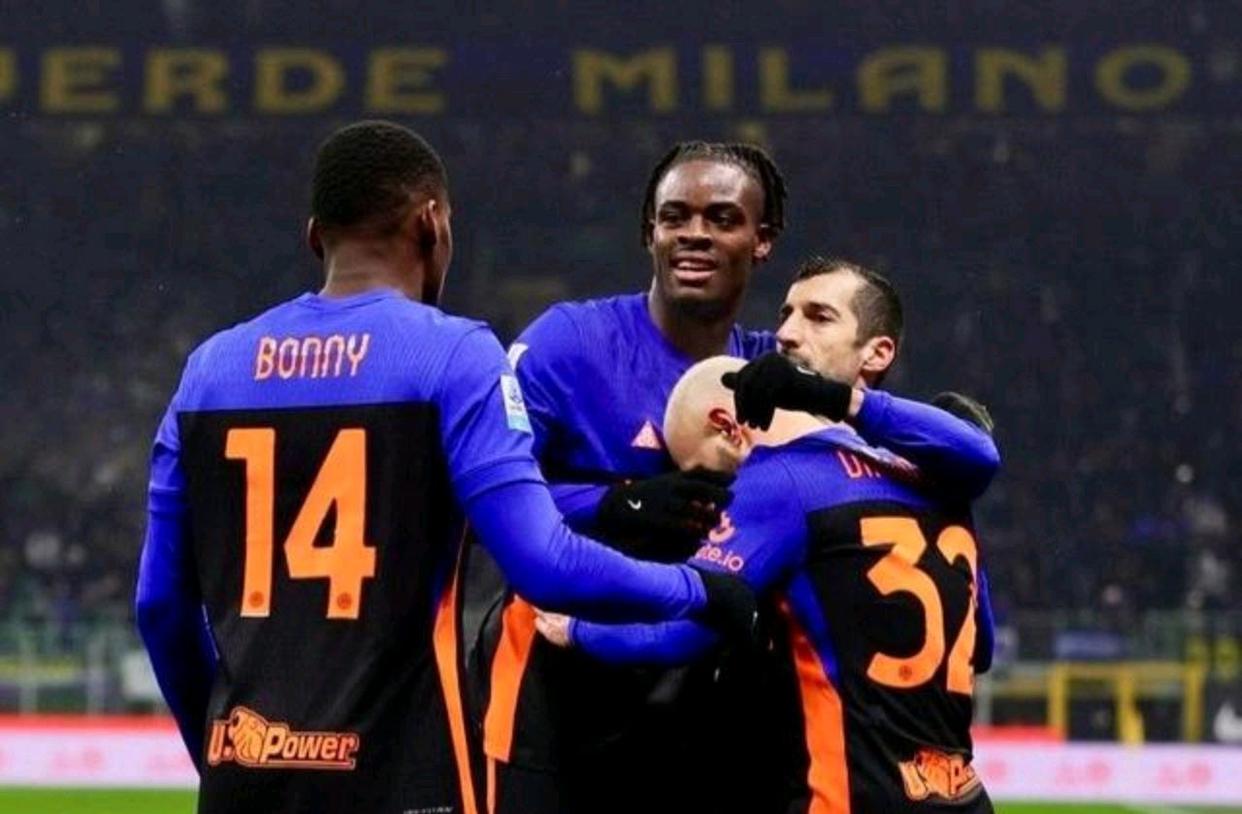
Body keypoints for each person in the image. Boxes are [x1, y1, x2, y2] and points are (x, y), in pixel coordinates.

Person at [133, 121, 757, 814]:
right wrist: (697, 591)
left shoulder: (208, 372)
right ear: (431, 224)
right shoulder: (454, 355)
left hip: (243, 772)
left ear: (315, 237)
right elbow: (544, 562)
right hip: (400, 772)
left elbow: (159, 606)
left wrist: (218, 746)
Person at [473, 143, 999, 814]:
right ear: (649, 232)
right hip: (556, 697)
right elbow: (472, 504)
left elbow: (944, 455)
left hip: (702, 715)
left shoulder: (769, 378)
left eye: (722, 218)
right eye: (675, 216)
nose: (695, 233)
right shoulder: (567, 345)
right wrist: (614, 503)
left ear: (762, 240)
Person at [540, 353, 996, 813]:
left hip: (856, 798)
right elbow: (984, 647)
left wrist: (578, 630)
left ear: (727, 426)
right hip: (964, 797)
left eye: (706, 474)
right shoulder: (927, 478)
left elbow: (681, 634)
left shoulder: (775, 481)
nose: (715, 500)